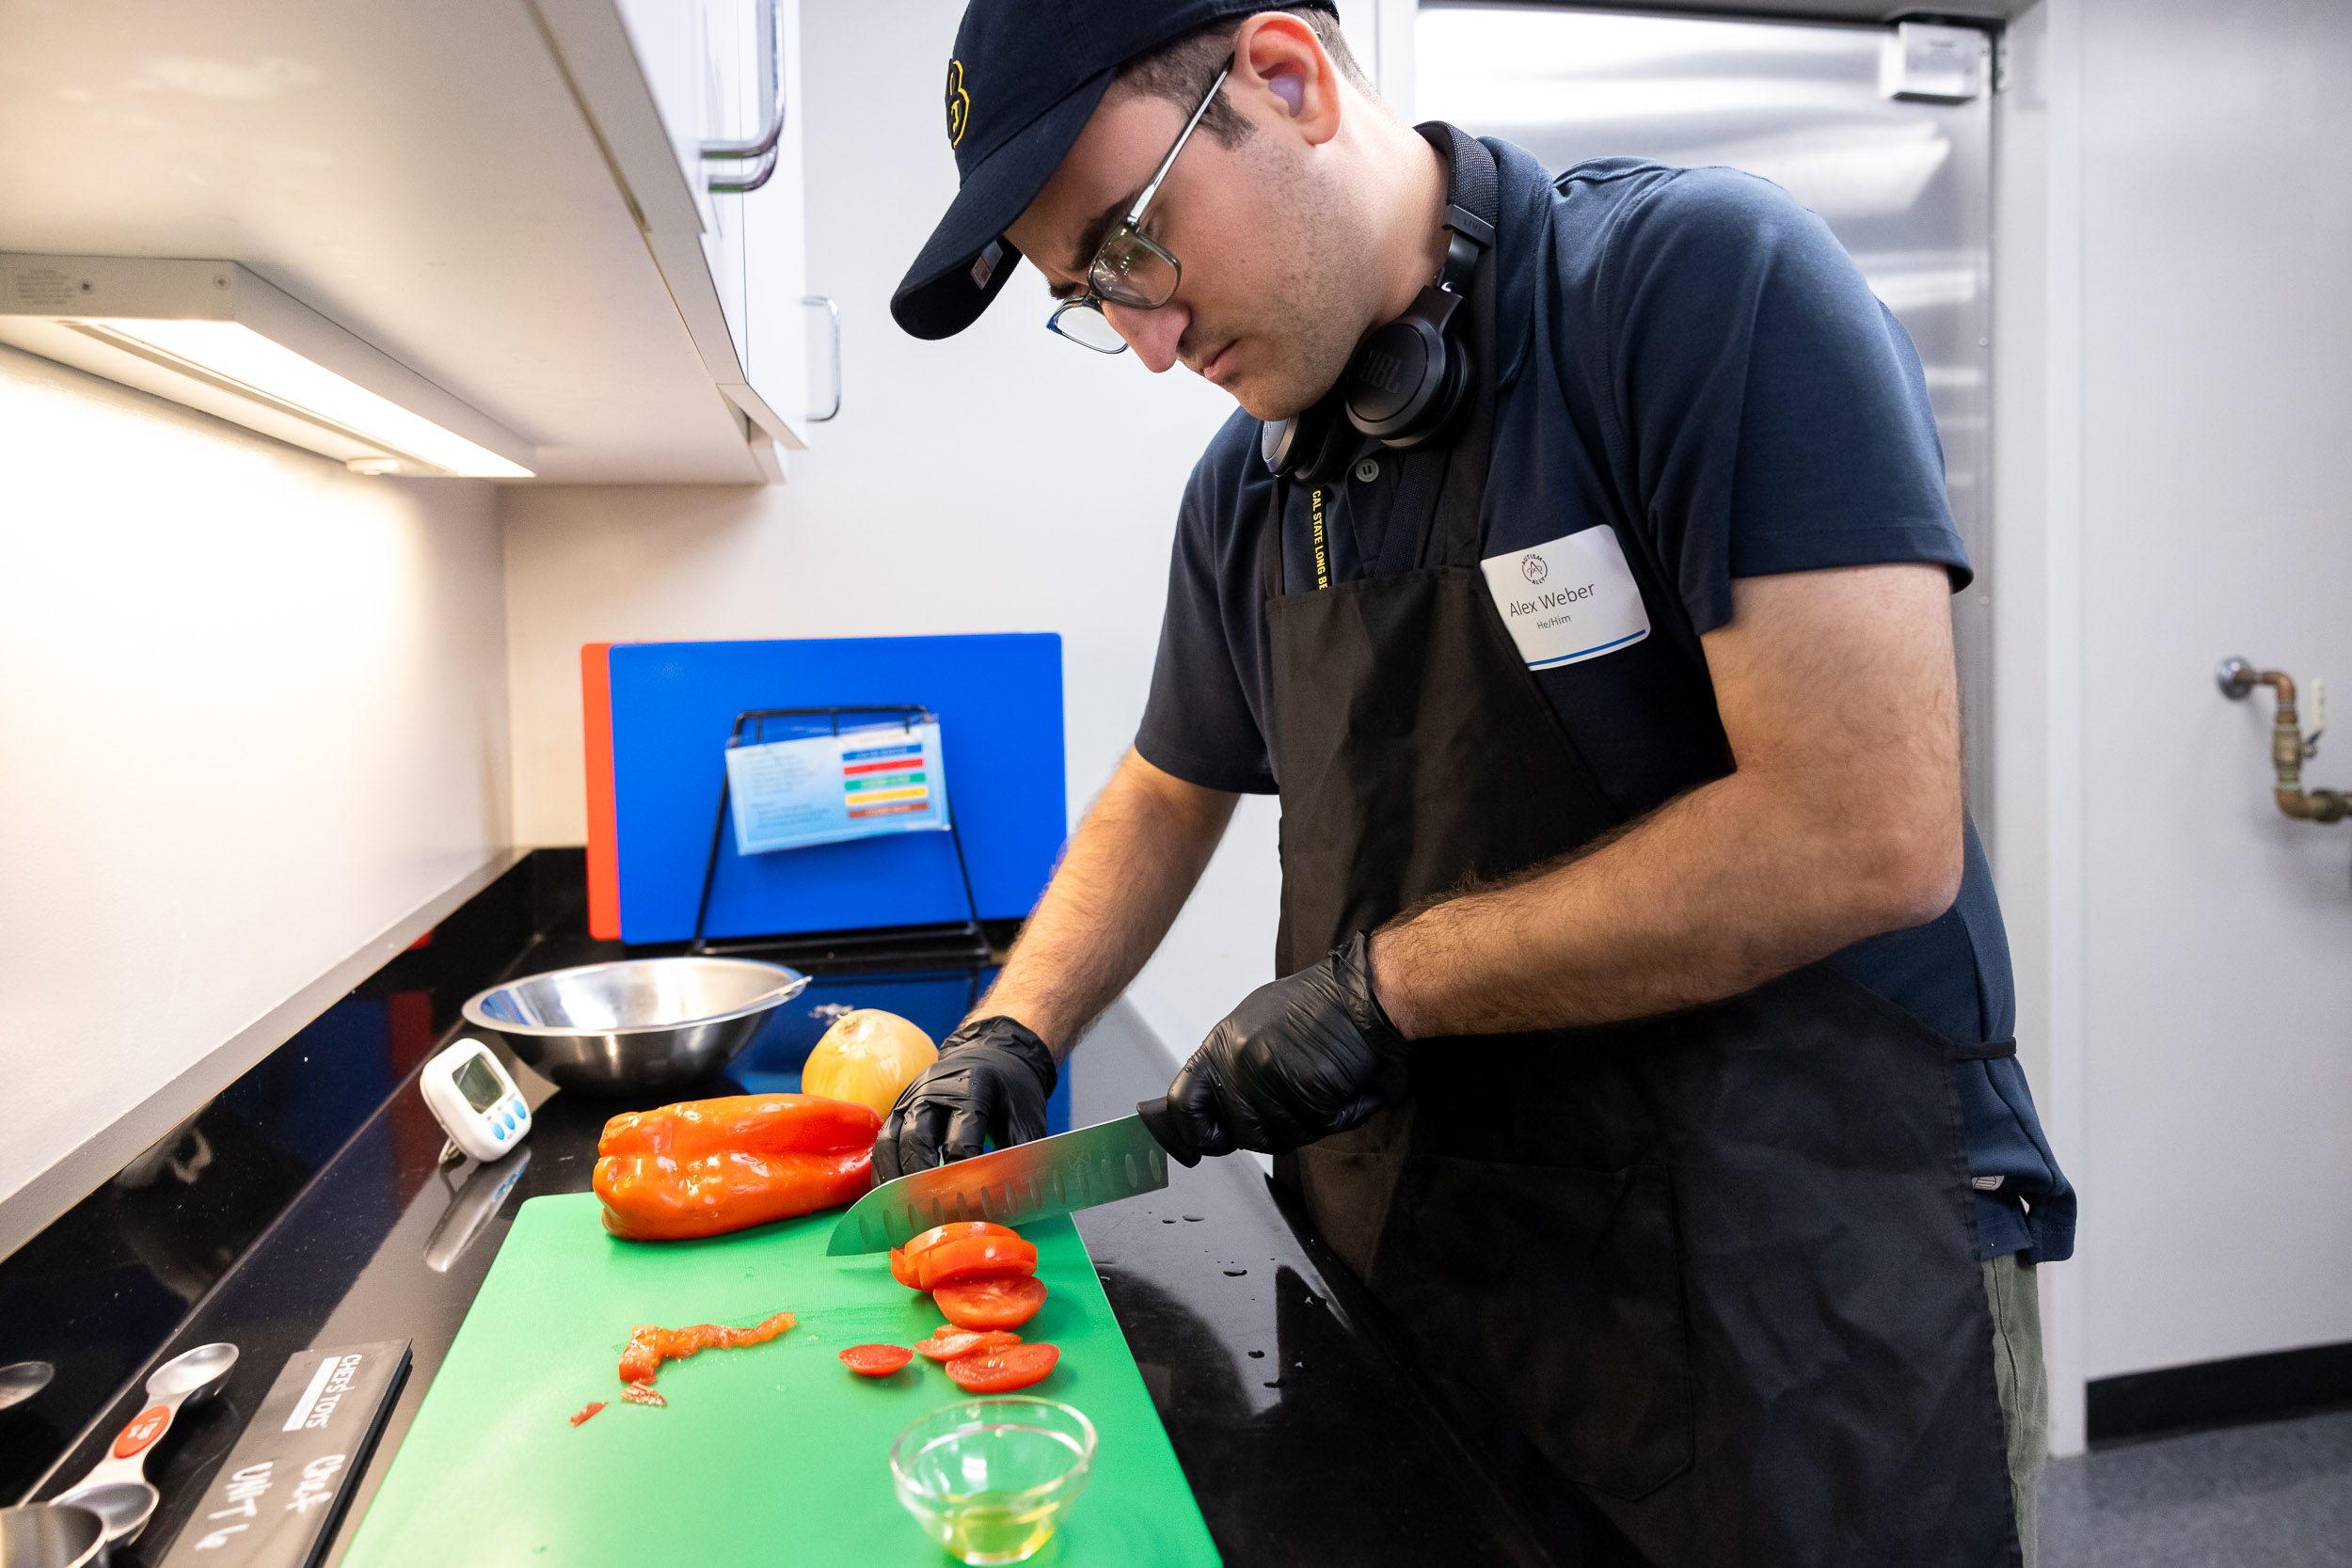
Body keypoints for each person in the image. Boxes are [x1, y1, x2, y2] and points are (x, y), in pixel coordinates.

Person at [882, 4, 2074, 1563]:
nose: (1147, 337)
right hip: (1441, 1263)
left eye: (1130, 245)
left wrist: (1384, 990)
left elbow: (1865, 831)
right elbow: (1170, 785)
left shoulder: (1695, 289)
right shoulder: (1247, 490)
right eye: (1086, 298)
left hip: (1797, 1270)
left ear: (1286, 78)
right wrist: (1010, 1029)